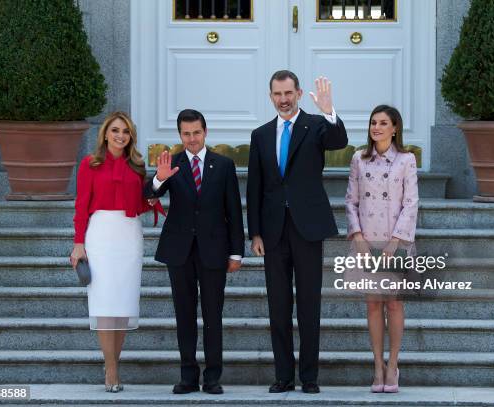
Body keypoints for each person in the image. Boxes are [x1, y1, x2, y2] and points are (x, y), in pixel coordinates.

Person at [246, 70, 348, 394]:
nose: (283, 99)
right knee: (278, 306)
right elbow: (255, 188)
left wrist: (330, 111)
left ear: (299, 93)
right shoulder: (260, 135)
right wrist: (255, 233)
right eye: (277, 94)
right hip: (273, 232)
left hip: (307, 228)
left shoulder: (316, 125)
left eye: (288, 93)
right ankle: (283, 376)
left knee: (308, 305)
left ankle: (309, 377)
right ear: (270, 96)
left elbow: (339, 141)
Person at [144, 109, 244, 395]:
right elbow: (148, 195)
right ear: (180, 135)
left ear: (205, 132)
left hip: (214, 250)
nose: (192, 139)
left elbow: (234, 211)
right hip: (180, 251)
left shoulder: (223, 165)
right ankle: (188, 376)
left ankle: (212, 377)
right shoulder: (171, 164)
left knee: (213, 315)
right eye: (186, 134)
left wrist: (236, 252)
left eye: (196, 133)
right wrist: (159, 180)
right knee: (184, 314)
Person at [70, 111, 164, 393]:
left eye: (125, 132)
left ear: (130, 136)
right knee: (104, 304)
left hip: (129, 236)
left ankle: (113, 363)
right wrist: (78, 243)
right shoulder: (90, 164)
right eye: (115, 131)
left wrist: (155, 194)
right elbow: (81, 205)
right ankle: (111, 369)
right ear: (106, 134)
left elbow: (139, 205)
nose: (120, 136)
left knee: (122, 306)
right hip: (100, 235)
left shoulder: (136, 165)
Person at [344, 105, 419, 393]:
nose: (377, 127)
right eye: (373, 122)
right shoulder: (359, 160)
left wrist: (396, 242)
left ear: (395, 128)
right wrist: (358, 236)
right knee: (373, 303)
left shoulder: (406, 160)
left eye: (383, 123)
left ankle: (393, 365)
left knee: (395, 303)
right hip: (367, 244)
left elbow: (411, 202)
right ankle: (377, 366)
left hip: (395, 242)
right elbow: (350, 201)